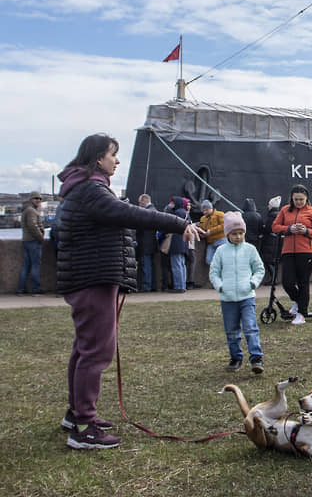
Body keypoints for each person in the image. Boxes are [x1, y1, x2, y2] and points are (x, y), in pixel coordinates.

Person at [56, 133, 200, 450]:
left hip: (88, 276)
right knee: (96, 352)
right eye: (113, 154)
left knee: (84, 349)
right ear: (97, 158)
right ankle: (83, 426)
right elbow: (132, 214)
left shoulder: (83, 189)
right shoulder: (92, 191)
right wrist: (179, 222)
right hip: (93, 279)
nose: (117, 160)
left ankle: (76, 414)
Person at [209, 212, 266, 373]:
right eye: (234, 234)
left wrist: (253, 283)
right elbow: (214, 271)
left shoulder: (250, 249)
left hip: (247, 296)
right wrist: (220, 286)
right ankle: (236, 358)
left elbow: (259, 269)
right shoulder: (220, 251)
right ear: (227, 234)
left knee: (250, 327)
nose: (238, 236)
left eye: (241, 233)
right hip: (227, 299)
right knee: (232, 330)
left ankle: (256, 358)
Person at [271, 184, 312, 325]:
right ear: (292, 199)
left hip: (307, 252)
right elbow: (275, 227)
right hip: (288, 251)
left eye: (301, 199)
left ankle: (301, 313)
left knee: (303, 282)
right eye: (296, 199)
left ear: (307, 199)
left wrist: (306, 231)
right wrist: (289, 229)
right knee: (287, 283)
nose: (299, 202)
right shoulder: (284, 210)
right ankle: (298, 302)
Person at [17, 191, 45, 295]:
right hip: (33, 241)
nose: (38, 200)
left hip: (26, 241)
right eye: (36, 198)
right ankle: (36, 289)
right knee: (35, 265)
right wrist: (40, 238)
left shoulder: (26, 210)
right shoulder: (31, 211)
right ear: (31, 199)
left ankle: (21, 289)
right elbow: (33, 226)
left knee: (26, 265)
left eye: (40, 198)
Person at [135, 194, 158, 292]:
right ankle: (152, 285)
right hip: (152, 243)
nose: (139, 205)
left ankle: (146, 286)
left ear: (144, 201)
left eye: (140, 202)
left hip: (145, 243)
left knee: (146, 265)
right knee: (151, 265)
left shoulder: (146, 212)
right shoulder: (155, 210)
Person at [167, 196, 189, 292]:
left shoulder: (177, 213)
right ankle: (182, 285)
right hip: (183, 241)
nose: (171, 205)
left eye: (172, 203)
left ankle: (179, 287)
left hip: (176, 241)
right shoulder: (185, 213)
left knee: (176, 265)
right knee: (181, 264)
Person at [258, 196, 283, 284]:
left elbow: (268, 228)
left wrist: (263, 229)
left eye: (269, 205)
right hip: (277, 241)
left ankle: (273, 279)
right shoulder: (279, 215)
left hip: (270, 241)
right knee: (273, 261)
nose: (268, 206)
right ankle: (273, 278)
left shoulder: (271, 216)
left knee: (268, 261)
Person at [199, 200, 226, 265]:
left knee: (222, 259)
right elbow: (202, 228)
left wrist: (211, 231)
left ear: (211, 208)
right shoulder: (202, 218)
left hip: (221, 240)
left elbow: (223, 226)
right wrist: (202, 234)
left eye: (206, 210)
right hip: (210, 242)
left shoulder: (220, 214)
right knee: (208, 260)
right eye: (203, 210)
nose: (204, 212)